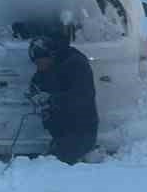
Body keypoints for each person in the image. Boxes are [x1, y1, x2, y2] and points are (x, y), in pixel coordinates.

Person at [28, 29, 99, 164]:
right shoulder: (48, 67)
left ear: (51, 55)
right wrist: (35, 94)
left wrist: (51, 98)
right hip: (61, 131)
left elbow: (82, 96)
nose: (39, 67)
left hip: (82, 129)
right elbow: (37, 81)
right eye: (37, 64)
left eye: (41, 63)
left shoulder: (76, 64)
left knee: (58, 163)